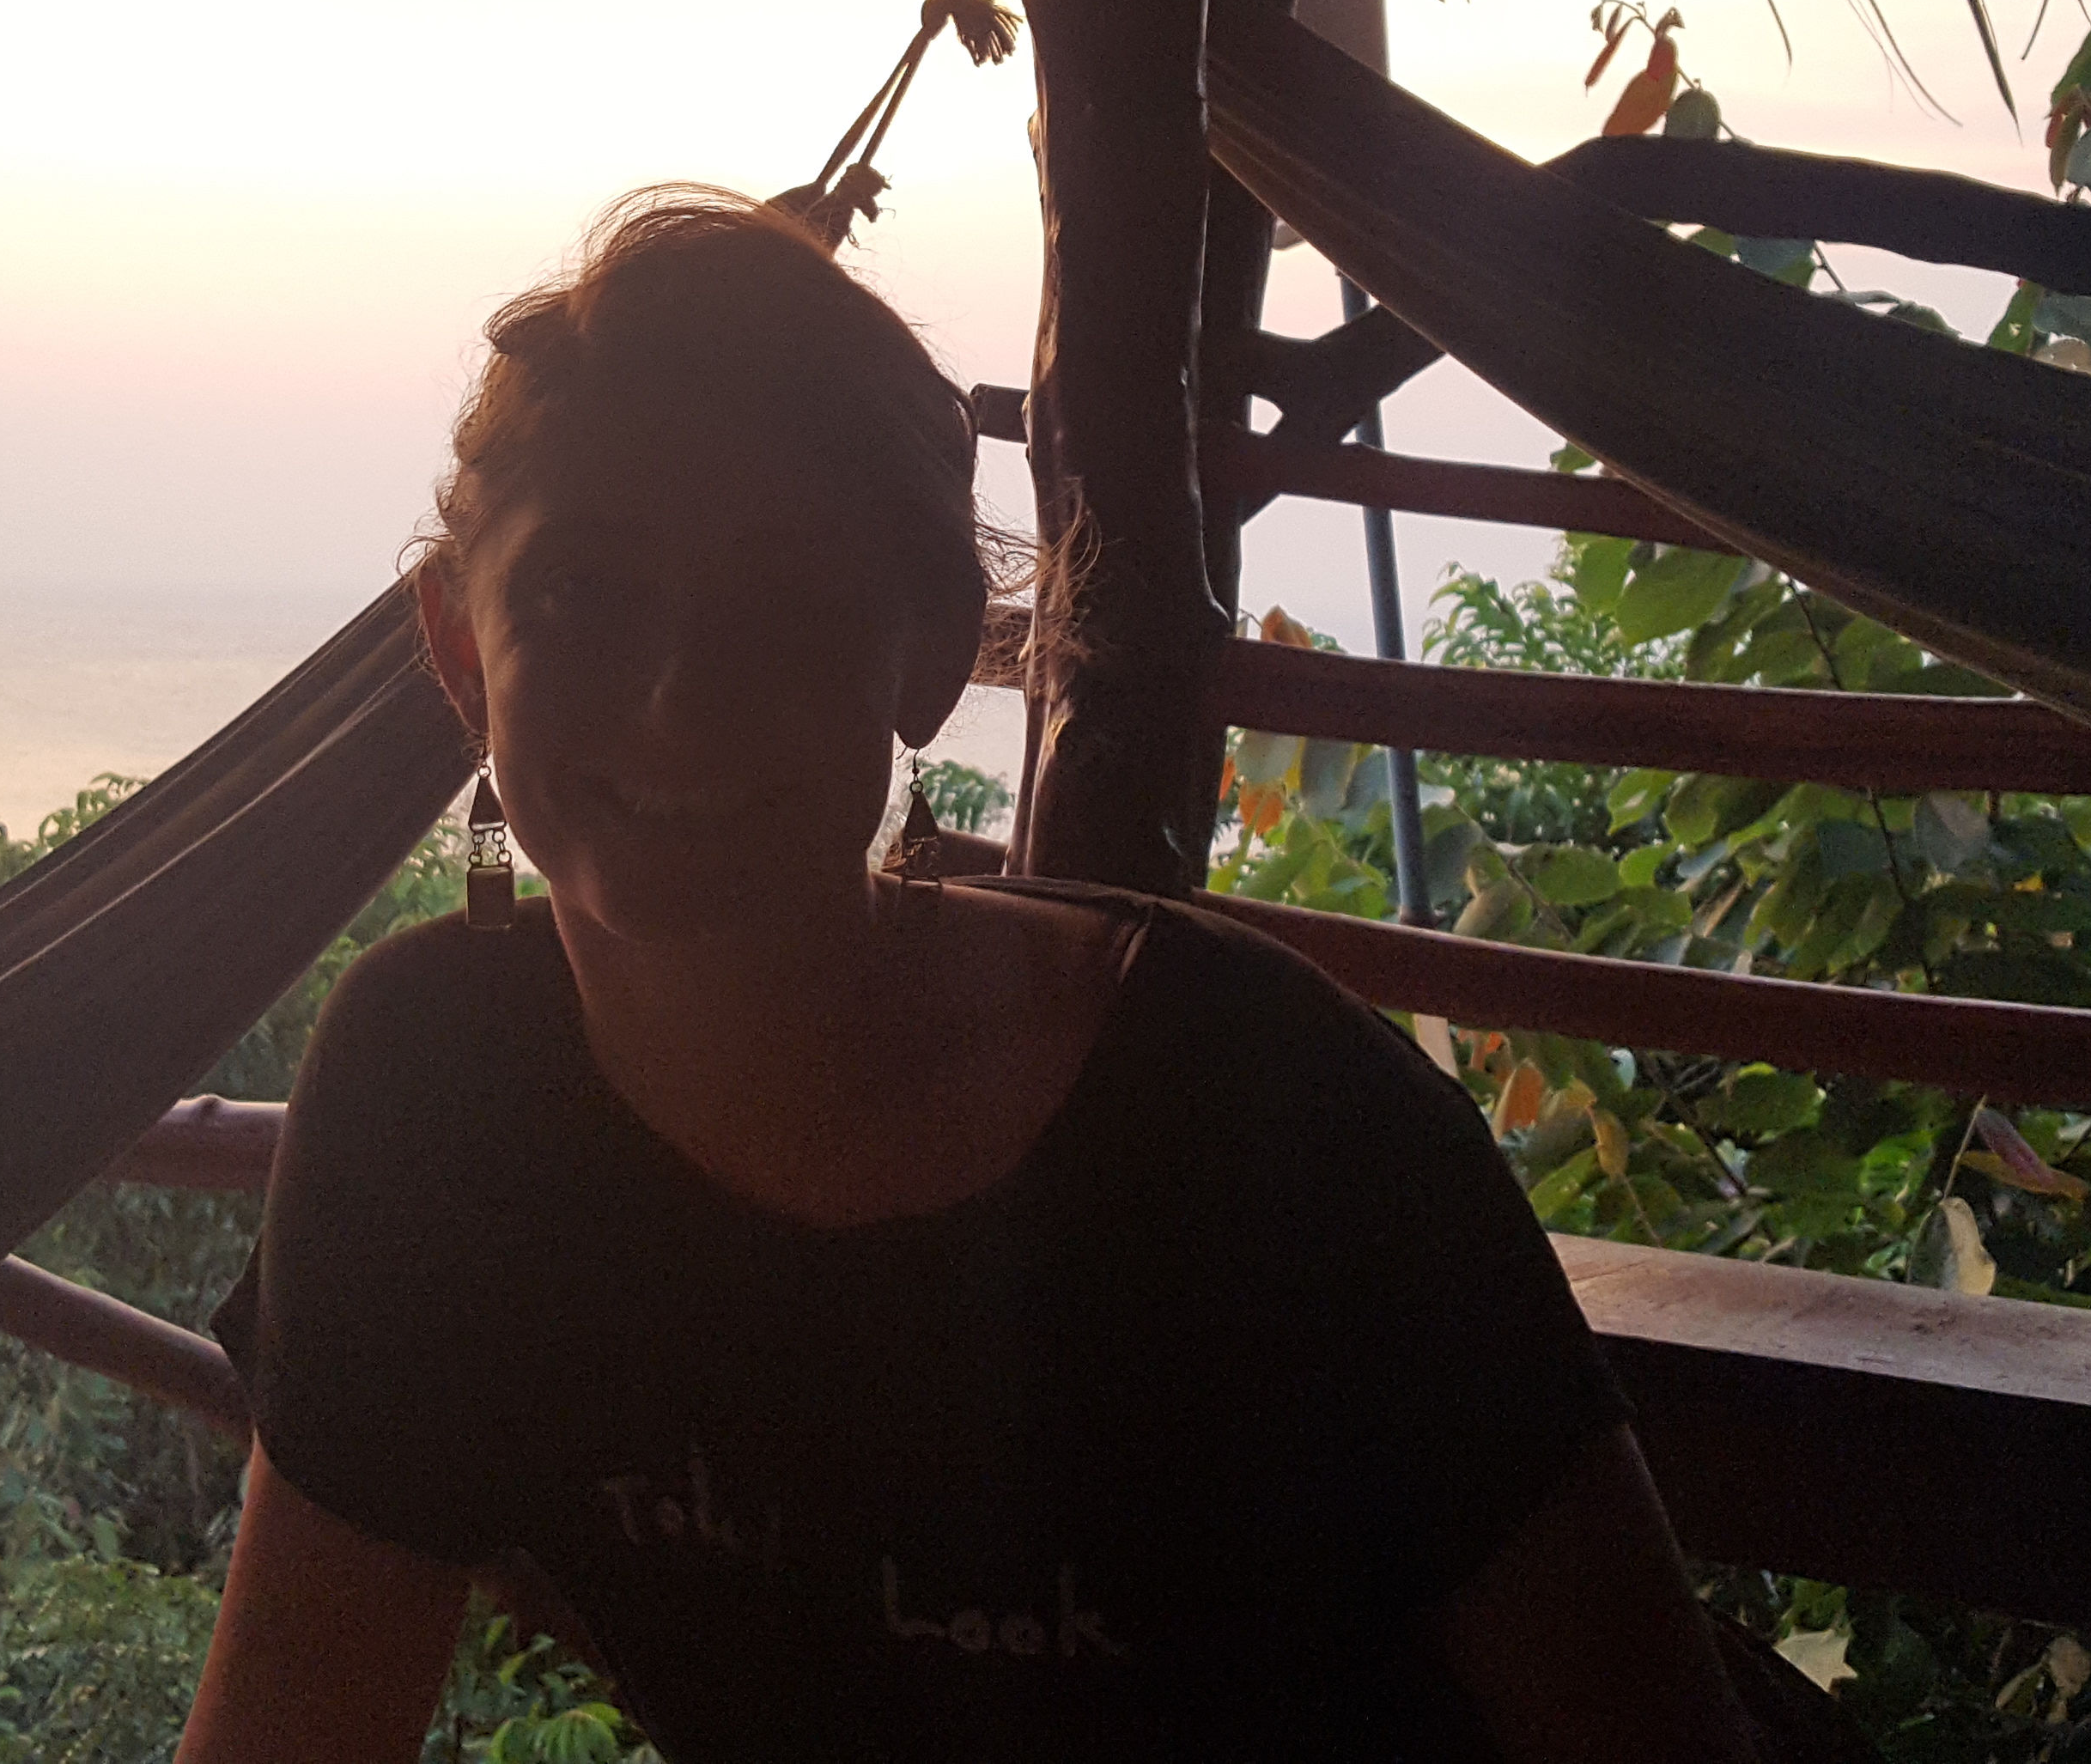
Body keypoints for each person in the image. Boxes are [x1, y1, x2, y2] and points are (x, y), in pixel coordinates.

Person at [181, 190, 1811, 1764]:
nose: (679, 695)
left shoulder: (1259, 1109)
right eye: (581, 593)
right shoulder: (438, 1100)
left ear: (933, 648)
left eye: (786, 602)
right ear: (457, 647)